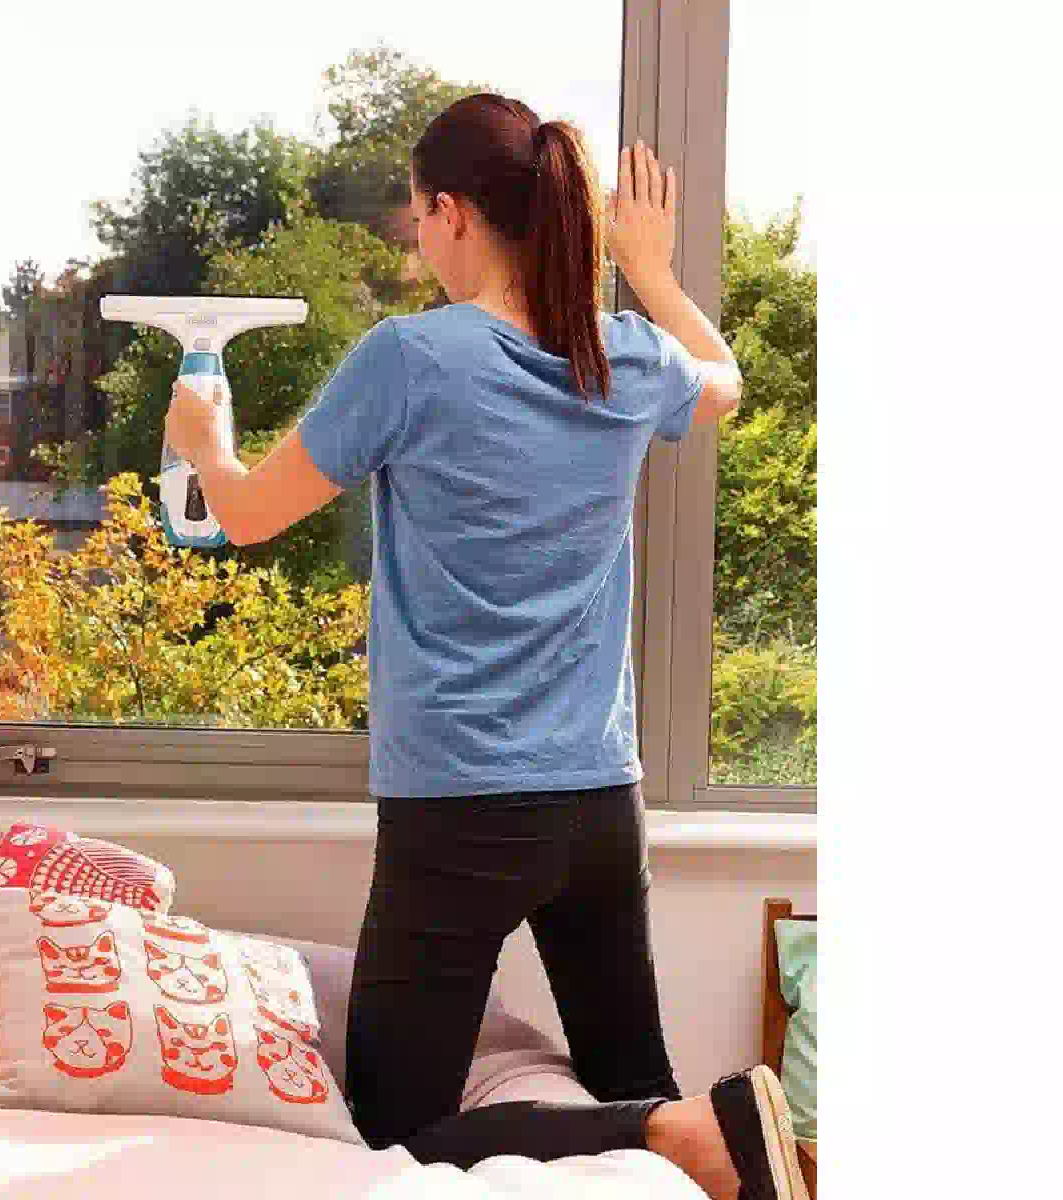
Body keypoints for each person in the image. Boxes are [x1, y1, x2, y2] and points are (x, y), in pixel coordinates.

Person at [161, 93, 806, 1199]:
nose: (420, 240)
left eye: (420, 216)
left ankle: (668, 1132)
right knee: (634, 1079)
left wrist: (204, 440)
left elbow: (248, 514)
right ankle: (687, 1132)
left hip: (461, 807)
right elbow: (728, 385)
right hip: (600, 800)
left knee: (398, 1130)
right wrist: (651, 272)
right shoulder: (624, 355)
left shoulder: (412, 358)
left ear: (454, 212)